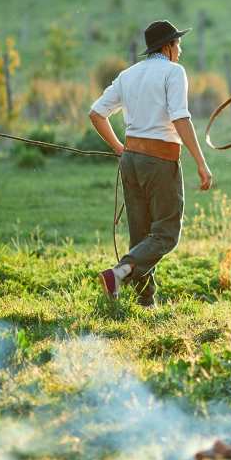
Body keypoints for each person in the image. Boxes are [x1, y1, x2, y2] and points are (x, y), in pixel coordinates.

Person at [90, 20, 213, 307]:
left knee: (141, 234)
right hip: (160, 161)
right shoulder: (174, 72)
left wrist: (119, 149)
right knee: (166, 234)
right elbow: (180, 118)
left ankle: (145, 301)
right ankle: (118, 273)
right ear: (168, 46)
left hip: (131, 160)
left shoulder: (128, 74)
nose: (180, 50)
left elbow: (96, 113)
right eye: (178, 44)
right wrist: (201, 162)